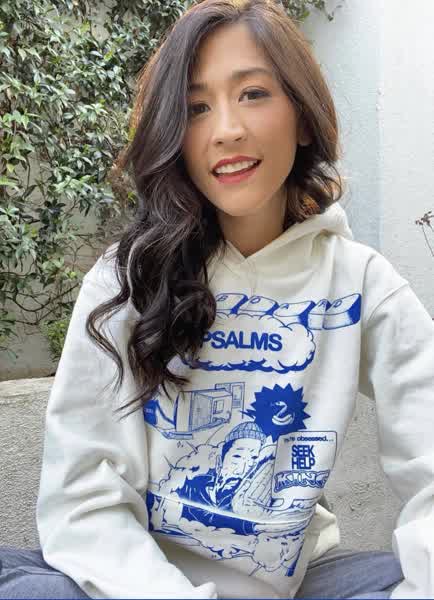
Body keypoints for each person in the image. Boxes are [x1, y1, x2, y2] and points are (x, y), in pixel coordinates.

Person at [0, 0, 432, 598]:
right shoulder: (126, 278)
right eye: (196, 108)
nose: (226, 129)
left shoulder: (360, 282)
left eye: (253, 93)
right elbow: (84, 502)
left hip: (298, 582)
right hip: (142, 583)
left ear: (303, 118)